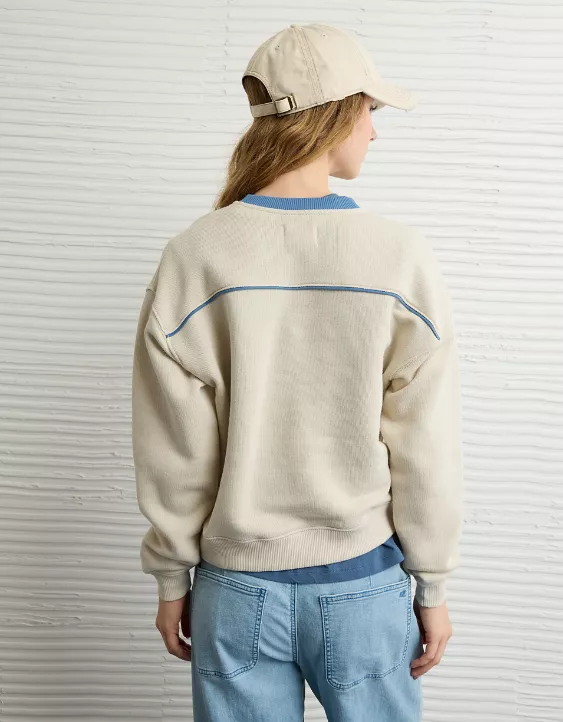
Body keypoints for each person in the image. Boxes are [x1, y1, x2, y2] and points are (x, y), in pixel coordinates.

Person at [131, 22, 464, 722]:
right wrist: (432, 586)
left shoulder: (196, 254)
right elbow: (425, 445)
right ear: (335, 112)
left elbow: (173, 447)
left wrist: (171, 577)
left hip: (233, 592)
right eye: (368, 109)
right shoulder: (397, 256)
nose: (374, 130)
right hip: (362, 587)